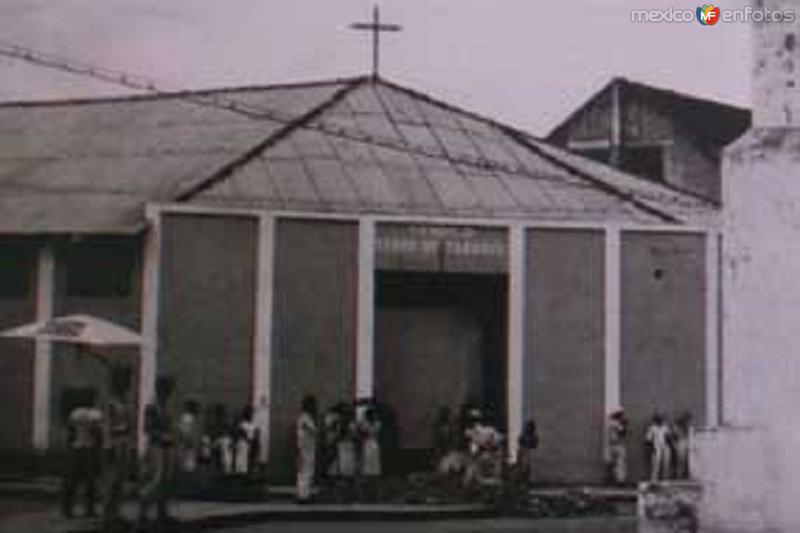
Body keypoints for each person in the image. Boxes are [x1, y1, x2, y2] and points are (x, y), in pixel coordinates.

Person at [138, 376, 177, 528]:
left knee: (167, 481)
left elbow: (171, 425)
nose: (168, 392)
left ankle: (162, 512)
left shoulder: (168, 406)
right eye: (166, 388)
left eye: (169, 389)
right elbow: (147, 428)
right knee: (156, 480)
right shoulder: (152, 406)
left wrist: (172, 436)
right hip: (156, 446)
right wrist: (162, 435)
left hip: (168, 446)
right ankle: (143, 512)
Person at [62, 388, 104, 519]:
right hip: (88, 449)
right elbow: (99, 432)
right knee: (88, 482)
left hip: (76, 448)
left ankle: (67, 509)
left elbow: (69, 430)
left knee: (73, 481)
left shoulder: (76, 412)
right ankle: (89, 509)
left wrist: (71, 443)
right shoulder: (96, 414)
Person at [101, 367, 134, 532]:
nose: (127, 383)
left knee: (121, 482)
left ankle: (116, 514)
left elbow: (130, 423)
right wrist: (108, 446)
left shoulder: (125, 400)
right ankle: (107, 518)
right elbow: (106, 425)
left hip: (125, 442)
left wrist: (131, 445)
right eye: (125, 380)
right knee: (111, 482)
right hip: (114, 442)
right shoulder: (110, 401)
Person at [295, 395, 318, 503]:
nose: (314, 406)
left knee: (308, 472)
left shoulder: (309, 417)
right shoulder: (304, 417)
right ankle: (302, 496)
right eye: (312, 404)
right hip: (304, 448)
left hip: (309, 448)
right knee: (304, 472)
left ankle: (306, 494)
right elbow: (311, 431)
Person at [645, 413, 672, 482]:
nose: (661, 421)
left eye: (661, 419)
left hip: (665, 447)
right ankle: (654, 480)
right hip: (656, 447)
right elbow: (648, 440)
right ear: (656, 420)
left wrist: (668, 446)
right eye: (659, 419)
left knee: (666, 463)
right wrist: (651, 449)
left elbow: (669, 437)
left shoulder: (665, 427)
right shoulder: (652, 428)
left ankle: (665, 479)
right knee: (656, 464)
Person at [177, 399, 201, 475]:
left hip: (189, 443)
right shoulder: (187, 417)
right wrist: (188, 441)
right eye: (196, 408)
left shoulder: (191, 417)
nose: (198, 410)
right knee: (187, 463)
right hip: (187, 442)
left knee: (189, 462)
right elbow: (185, 431)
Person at [233, 405, 258, 475]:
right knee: (242, 458)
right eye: (249, 412)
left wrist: (254, 441)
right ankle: (241, 472)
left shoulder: (253, 424)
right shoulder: (242, 423)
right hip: (243, 443)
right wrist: (247, 439)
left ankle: (249, 471)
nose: (251, 414)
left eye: (252, 412)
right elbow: (240, 433)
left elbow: (255, 434)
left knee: (251, 458)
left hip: (252, 443)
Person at [606, 410, 628, 486]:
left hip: (611, 445)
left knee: (611, 463)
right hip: (617, 445)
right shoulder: (615, 423)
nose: (622, 417)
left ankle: (610, 480)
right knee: (620, 464)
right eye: (621, 415)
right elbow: (622, 432)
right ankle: (620, 481)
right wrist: (624, 424)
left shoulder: (610, 423)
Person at [360, 407, 382, 478]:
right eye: (373, 414)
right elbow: (363, 434)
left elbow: (378, 434)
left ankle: (375, 474)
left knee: (375, 459)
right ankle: (368, 475)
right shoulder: (365, 424)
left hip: (374, 442)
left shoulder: (378, 423)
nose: (375, 416)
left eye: (375, 415)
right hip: (367, 443)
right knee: (368, 459)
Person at [516, 419, 539, 485]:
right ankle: (520, 480)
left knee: (526, 467)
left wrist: (531, 447)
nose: (528, 428)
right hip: (522, 449)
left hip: (528, 450)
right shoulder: (523, 434)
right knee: (520, 465)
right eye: (527, 426)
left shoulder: (534, 435)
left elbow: (534, 445)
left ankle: (525, 481)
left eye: (530, 426)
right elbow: (519, 441)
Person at [672, 412, 693, 479]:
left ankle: (685, 474)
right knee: (680, 460)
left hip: (686, 442)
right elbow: (674, 435)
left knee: (687, 460)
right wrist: (675, 444)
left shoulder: (688, 427)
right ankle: (679, 475)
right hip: (681, 442)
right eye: (688, 420)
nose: (689, 422)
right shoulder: (678, 426)